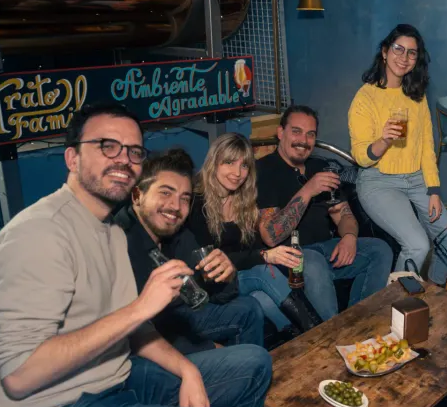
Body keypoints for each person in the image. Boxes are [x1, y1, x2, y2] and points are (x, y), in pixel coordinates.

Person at [0, 104, 274, 407]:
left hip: (111, 384)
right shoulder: (38, 235)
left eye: (134, 151)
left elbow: (134, 332)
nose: (124, 159)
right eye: (107, 145)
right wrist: (140, 308)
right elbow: (19, 377)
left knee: (255, 362)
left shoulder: (110, 231)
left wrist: (187, 370)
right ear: (72, 157)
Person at [114, 148, 263, 351]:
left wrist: (226, 276)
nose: (175, 206)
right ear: (137, 195)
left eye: (184, 198)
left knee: (249, 308)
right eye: (165, 193)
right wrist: (205, 347)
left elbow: (214, 294)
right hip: (144, 343)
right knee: (255, 360)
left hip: (178, 317)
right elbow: (134, 332)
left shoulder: (179, 234)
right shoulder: (117, 243)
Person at [256, 105, 393, 320]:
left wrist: (349, 237)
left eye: (310, 134)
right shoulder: (264, 170)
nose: (303, 140)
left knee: (380, 249)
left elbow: (344, 215)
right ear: (280, 133)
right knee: (311, 260)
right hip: (291, 257)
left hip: (325, 251)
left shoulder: (320, 166)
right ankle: (334, 333)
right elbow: (270, 236)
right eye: (296, 131)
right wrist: (309, 189)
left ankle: (360, 324)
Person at [187, 132, 324, 334]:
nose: (237, 173)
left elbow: (254, 248)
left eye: (244, 166)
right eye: (229, 163)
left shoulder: (246, 199)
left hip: (245, 276)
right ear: (214, 163)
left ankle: (305, 340)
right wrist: (264, 256)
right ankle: (319, 332)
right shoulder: (196, 203)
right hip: (216, 283)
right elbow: (211, 261)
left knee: (265, 300)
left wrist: (265, 257)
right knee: (261, 274)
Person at [348, 23, 447, 283]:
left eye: (411, 53)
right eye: (398, 49)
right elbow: (361, 157)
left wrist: (434, 190)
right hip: (378, 180)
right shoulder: (365, 98)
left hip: (417, 178)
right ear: (384, 52)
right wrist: (384, 139)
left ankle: (433, 293)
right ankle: (397, 310)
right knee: (418, 245)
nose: (403, 58)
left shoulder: (416, 96)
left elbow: (427, 147)